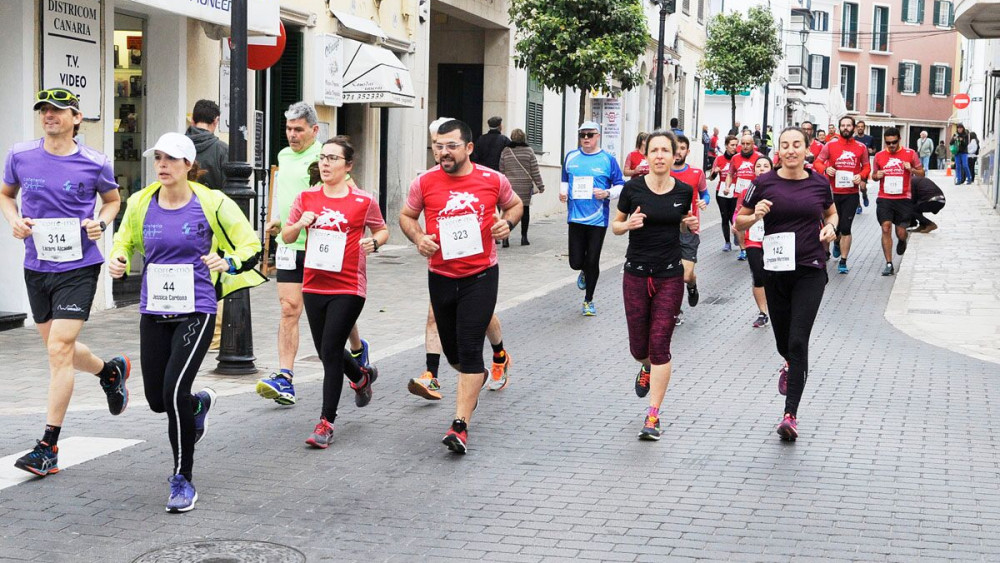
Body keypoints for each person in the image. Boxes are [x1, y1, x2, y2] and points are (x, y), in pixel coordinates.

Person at [109, 132, 265, 512]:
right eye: (158, 157)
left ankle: (182, 479)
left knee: (174, 391)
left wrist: (226, 261)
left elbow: (251, 245)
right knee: (157, 401)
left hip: (196, 307)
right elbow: (124, 241)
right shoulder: (141, 201)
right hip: (153, 309)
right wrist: (116, 260)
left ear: (188, 166)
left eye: (170, 159)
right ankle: (197, 408)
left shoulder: (212, 202)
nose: (162, 165)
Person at [1, 88, 130, 477]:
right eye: (44, 110)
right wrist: (13, 220)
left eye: (58, 111)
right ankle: (110, 371)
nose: (49, 116)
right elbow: (6, 195)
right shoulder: (20, 155)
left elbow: (112, 200)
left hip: (79, 267)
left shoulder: (94, 162)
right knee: (60, 347)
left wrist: (101, 223)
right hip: (37, 265)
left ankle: (48, 446)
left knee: (58, 348)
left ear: (77, 118)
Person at [399, 119, 523, 454]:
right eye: (438, 145)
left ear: (468, 148)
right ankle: (477, 374)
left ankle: (460, 425)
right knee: (454, 355)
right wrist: (418, 237)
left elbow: (514, 205)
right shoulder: (424, 182)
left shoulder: (491, 179)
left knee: (469, 349)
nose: (443, 152)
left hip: (481, 274)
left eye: (451, 145)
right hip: (441, 275)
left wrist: (506, 223)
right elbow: (407, 216)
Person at [258, 102, 371, 405]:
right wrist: (280, 221)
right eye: (288, 129)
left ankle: (358, 350)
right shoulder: (282, 155)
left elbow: (352, 199)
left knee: (336, 313)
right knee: (288, 308)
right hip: (290, 244)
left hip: (326, 249)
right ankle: (285, 377)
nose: (292, 135)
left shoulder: (327, 156)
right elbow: (288, 197)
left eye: (298, 129)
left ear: (314, 130)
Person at [280, 136, 387, 449]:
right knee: (329, 349)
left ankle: (326, 422)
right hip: (314, 283)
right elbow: (287, 236)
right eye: (323, 158)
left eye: (332, 159)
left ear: (348, 165)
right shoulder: (306, 198)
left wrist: (376, 242)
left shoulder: (362, 201)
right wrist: (300, 222)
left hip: (349, 285)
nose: (325, 164)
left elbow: (381, 228)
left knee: (329, 351)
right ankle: (360, 377)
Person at [736, 126, 838, 442]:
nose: (791, 150)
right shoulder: (763, 183)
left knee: (798, 340)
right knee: (784, 343)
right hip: (776, 270)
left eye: (797, 144)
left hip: (810, 269)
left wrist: (831, 229)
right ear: (778, 150)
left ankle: (790, 414)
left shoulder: (820, 183)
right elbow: (740, 219)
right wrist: (754, 218)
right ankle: (789, 364)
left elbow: (831, 214)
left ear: (807, 149)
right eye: (785, 145)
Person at [611, 130, 699, 441]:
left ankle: (652, 415)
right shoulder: (633, 189)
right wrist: (627, 225)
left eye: (665, 150)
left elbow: (683, 220)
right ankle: (645, 366)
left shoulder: (684, 191)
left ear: (675, 155)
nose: (660, 155)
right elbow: (616, 226)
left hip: (669, 275)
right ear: (645, 156)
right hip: (635, 274)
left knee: (660, 345)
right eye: (654, 150)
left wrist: (688, 224)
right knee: (640, 348)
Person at [559, 121, 625, 316]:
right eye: (582, 135)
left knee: (593, 259)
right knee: (576, 262)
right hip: (576, 217)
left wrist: (606, 193)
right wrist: (563, 193)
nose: (586, 138)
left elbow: (620, 184)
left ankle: (588, 300)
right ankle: (583, 271)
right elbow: (564, 179)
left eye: (590, 134)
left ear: (598, 136)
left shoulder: (607, 160)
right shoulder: (571, 157)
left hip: (598, 219)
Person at [185, 99, 231, 350]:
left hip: (179, 215)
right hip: (211, 219)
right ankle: (213, 335)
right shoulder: (223, 150)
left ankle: (184, 322)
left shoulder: (180, 145)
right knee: (214, 272)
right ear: (216, 122)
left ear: (193, 120)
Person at [813, 115, 870, 274]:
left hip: (851, 194)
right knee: (834, 228)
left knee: (846, 228)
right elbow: (817, 162)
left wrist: (861, 176)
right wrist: (825, 169)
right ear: (839, 128)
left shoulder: (861, 147)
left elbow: (866, 166)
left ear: (853, 127)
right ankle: (836, 242)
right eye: (843, 125)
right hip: (832, 193)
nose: (846, 128)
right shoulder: (831, 146)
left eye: (848, 125)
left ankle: (843, 261)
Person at [872, 127, 923, 276]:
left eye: (894, 142)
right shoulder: (879, 156)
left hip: (903, 199)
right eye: (888, 143)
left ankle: (902, 240)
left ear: (899, 139)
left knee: (901, 232)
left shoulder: (910, 153)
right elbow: (873, 175)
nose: (891, 145)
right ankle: (889, 263)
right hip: (885, 197)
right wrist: (877, 175)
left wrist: (912, 169)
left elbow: (922, 173)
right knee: (886, 228)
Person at [670, 135, 709, 325]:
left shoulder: (696, 173)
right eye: (676, 148)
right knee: (671, 272)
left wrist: (704, 201)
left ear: (687, 151)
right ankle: (674, 310)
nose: (678, 152)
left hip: (689, 228)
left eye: (682, 148)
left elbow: (705, 193)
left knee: (685, 275)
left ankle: (692, 284)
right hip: (666, 229)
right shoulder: (662, 173)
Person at [733, 156, 773, 328]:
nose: (762, 168)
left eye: (766, 166)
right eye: (758, 166)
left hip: (774, 239)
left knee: (775, 276)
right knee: (758, 275)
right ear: (754, 170)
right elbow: (737, 216)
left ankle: (777, 308)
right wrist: (751, 218)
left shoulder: (778, 190)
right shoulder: (746, 191)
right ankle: (763, 312)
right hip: (753, 238)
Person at [499, 128, 545, 246]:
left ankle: (505, 238)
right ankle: (524, 237)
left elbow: (502, 170)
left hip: (510, 186)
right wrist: (540, 185)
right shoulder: (529, 151)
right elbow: (534, 170)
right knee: (525, 211)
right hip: (524, 186)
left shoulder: (506, 151)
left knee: (508, 211)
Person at [726, 133, 762, 261]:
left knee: (755, 222)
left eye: (748, 144)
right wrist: (727, 186)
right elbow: (730, 174)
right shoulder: (735, 158)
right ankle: (743, 249)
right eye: (743, 144)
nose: (745, 147)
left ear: (753, 145)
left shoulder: (759, 158)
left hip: (755, 196)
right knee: (738, 222)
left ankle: (756, 246)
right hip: (740, 197)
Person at [184, 100, 229, 191]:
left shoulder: (178, 146)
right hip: (213, 203)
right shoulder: (222, 149)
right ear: (216, 120)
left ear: (192, 120)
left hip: (182, 203)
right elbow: (228, 188)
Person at [709, 135, 739, 251]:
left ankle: (737, 234)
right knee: (724, 216)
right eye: (732, 145)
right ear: (726, 145)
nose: (734, 147)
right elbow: (711, 178)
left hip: (735, 190)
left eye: (736, 145)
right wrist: (715, 173)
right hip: (722, 191)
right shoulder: (719, 159)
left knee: (734, 216)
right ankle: (727, 242)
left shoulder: (738, 158)